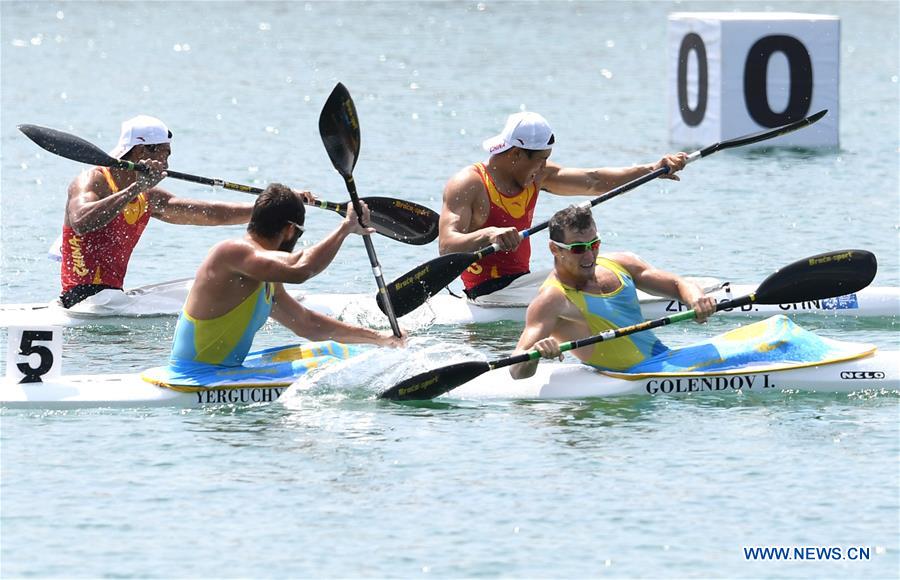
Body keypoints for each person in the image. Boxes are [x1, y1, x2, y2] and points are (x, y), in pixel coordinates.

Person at [160, 183, 405, 386]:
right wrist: (345, 228)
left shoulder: (265, 275)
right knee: (328, 366)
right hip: (196, 377)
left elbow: (309, 325)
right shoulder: (232, 253)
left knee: (335, 351)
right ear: (290, 230)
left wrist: (380, 339)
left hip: (225, 371)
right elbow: (301, 268)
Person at [59, 114, 314, 308]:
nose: (167, 164)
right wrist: (135, 189)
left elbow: (211, 213)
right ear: (140, 151)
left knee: (205, 287)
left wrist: (274, 206)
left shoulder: (149, 197)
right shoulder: (93, 181)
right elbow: (81, 221)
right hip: (84, 300)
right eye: (163, 154)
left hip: (112, 298)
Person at [439, 111, 688, 301]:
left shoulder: (537, 175)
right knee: (619, 265)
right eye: (540, 160)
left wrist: (652, 169)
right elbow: (446, 245)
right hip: (489, 294)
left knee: (620, 262)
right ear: (515, 154)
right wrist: (489, 233)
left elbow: (595, 180)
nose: (542, 168)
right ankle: (680, 292)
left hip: (522, 285)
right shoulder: (469, 183)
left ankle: (680, 289)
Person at [509, 205, 715, 380]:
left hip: (665, 360)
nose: (590, 255)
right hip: (629, 377)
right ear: (555, 249)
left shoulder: (620, 263)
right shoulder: (552, 299)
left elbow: (678, 283)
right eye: (579, 249)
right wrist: (537, 352)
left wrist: (696, 299)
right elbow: (516, 369)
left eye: (594, 244)